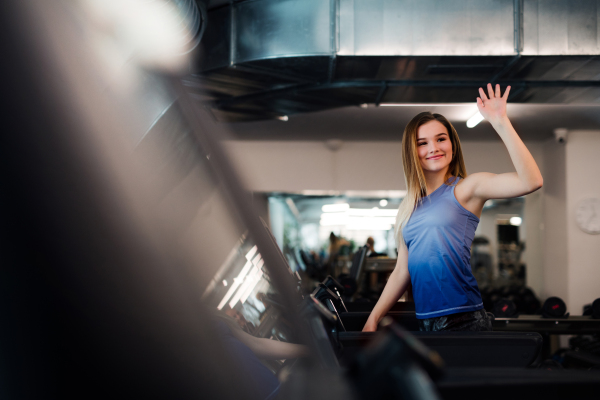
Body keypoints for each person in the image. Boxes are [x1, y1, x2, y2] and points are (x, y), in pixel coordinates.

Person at [363, 84, 543, 332]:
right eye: (422, 143)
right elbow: (401, 271)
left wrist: (500, 121)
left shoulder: (466, 189)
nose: (433, 148)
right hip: (425, 320)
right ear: (412, 152)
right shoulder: (408, 208)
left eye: (441, 139)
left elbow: (531, 181)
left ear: (452, 144)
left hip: (463, 318)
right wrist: (373, 319)